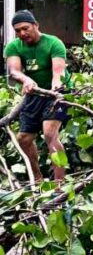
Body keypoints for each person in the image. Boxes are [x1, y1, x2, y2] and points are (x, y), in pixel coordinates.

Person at [3, 10, 70, 182]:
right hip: (33, 94)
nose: (22, 33)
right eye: (18, 30)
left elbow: (58, 73)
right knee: (23, 139)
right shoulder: (13, 47)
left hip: (58, 94)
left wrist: (56, 89)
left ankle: (59, 183)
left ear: (35, 25)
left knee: (50, 134)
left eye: (25, 28)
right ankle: (38, 179)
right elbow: (14, 71)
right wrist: (26, 80)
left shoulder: (53, 43)